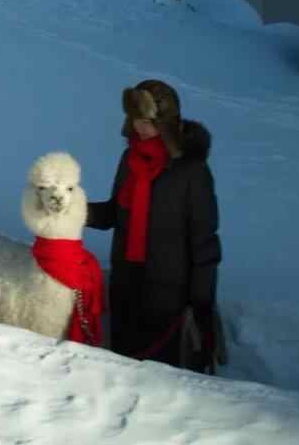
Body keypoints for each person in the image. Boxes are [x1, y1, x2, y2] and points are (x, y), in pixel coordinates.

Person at [86, 78, 225, 372]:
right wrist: (74, 210)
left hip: (169, 296)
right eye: (135, 119)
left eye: (147, 120)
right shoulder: (129, 158)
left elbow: (204, 241)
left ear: (166, 122)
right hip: (126, 284)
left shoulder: (192, 171)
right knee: (123, 372)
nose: (140, 127)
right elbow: (114, 213)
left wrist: (201, 303)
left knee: (166, 381)